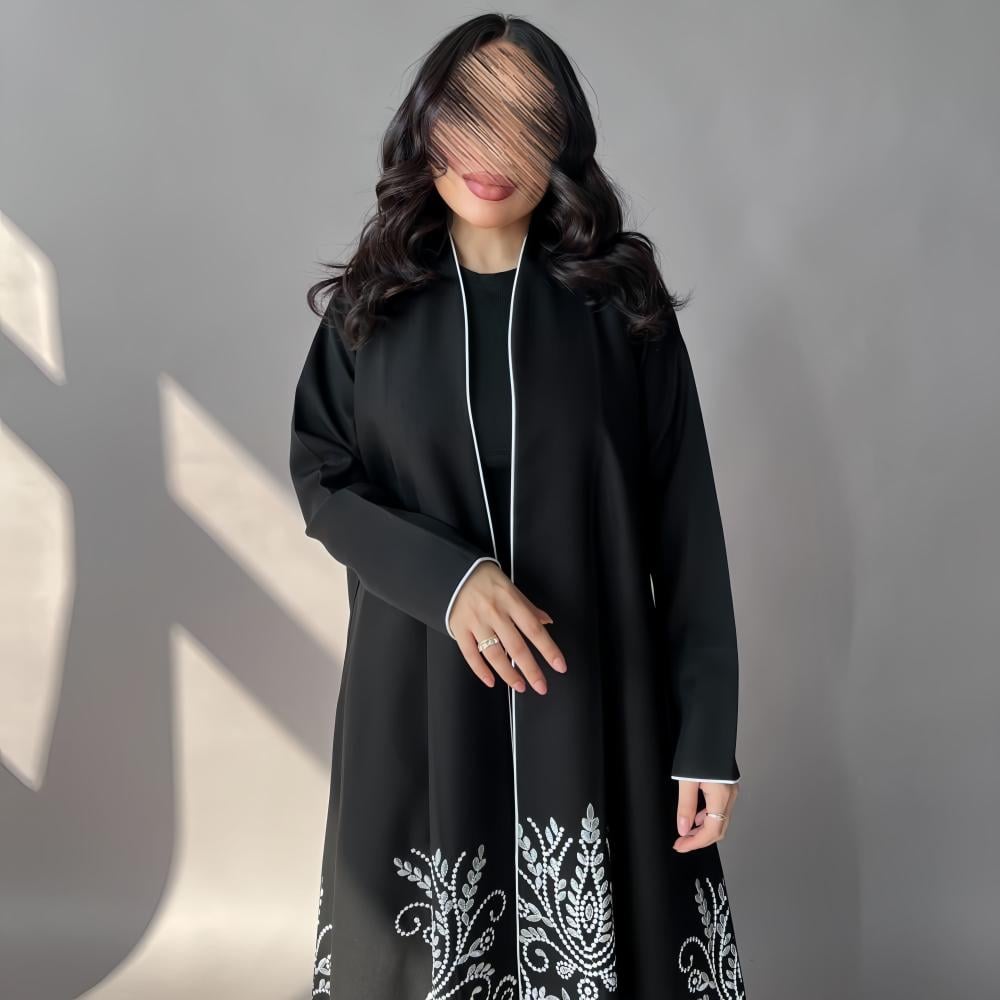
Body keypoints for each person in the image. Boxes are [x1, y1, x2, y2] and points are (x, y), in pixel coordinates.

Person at [290, 14, 746, 999]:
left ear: (561, 140)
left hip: (599, 704)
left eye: (524, 118)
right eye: (468, 113)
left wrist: (708, 732)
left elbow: (686, 526)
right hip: (417, 701)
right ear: (424, 125)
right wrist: (451, 583)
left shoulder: (620, 307)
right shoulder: (373, 308)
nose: (492, 150)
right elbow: (323, 479)